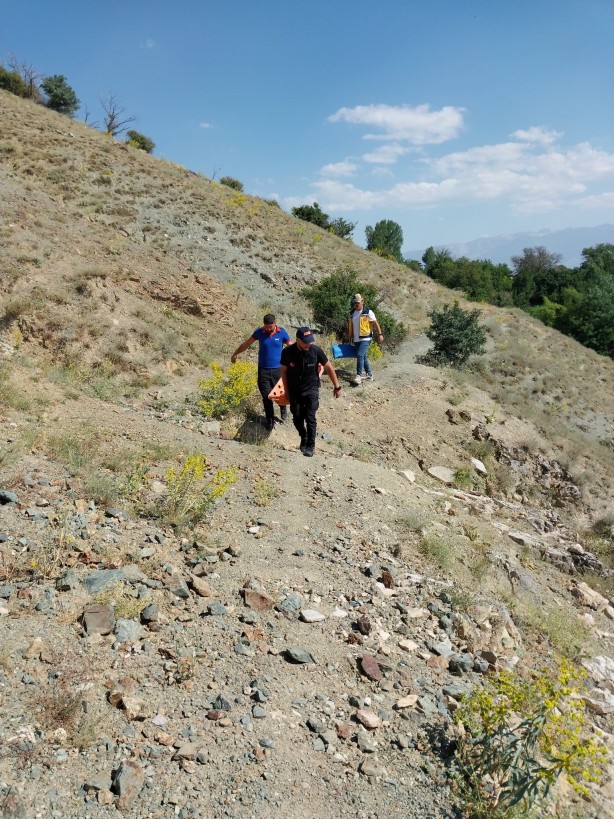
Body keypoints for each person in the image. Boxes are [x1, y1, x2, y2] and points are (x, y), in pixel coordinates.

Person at [281, 327, 342, 457]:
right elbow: (284, 372)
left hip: (311, 389)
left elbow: (329, 368)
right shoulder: (287, 352)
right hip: (294, 390)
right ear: (297, 340)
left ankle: (310, 445)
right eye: (305, 342)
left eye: (310, 341)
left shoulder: (316, 351)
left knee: (310, 417)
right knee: (297, 417)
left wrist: (337, 386)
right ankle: (303, 436)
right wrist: (286, 391)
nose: (308, 344)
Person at [231, 314, 290, 430]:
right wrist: (236, 353)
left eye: (270, 326)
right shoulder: (259, 332)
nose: (268, 329)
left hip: (278, 370)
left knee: (279, 394)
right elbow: (246, 344)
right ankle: (270, 420)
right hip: (263, 370)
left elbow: (291, 346)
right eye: (266, 326)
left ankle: (283, 407)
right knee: (267, 396)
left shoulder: (282, 332)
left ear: (275, 324)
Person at [346, 293, 384, 385]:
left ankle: (358, 376)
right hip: (356, 339)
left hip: (366, 338)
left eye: (358, 302)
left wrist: (380, 334)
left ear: (362, 302)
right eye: (355, 302)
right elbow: (351, 325)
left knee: (359, 355)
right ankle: (369, 375)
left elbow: (375, 323)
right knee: (364, 356)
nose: (356, 304)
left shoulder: (368, 312)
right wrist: (347, 334)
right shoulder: (352, 312)